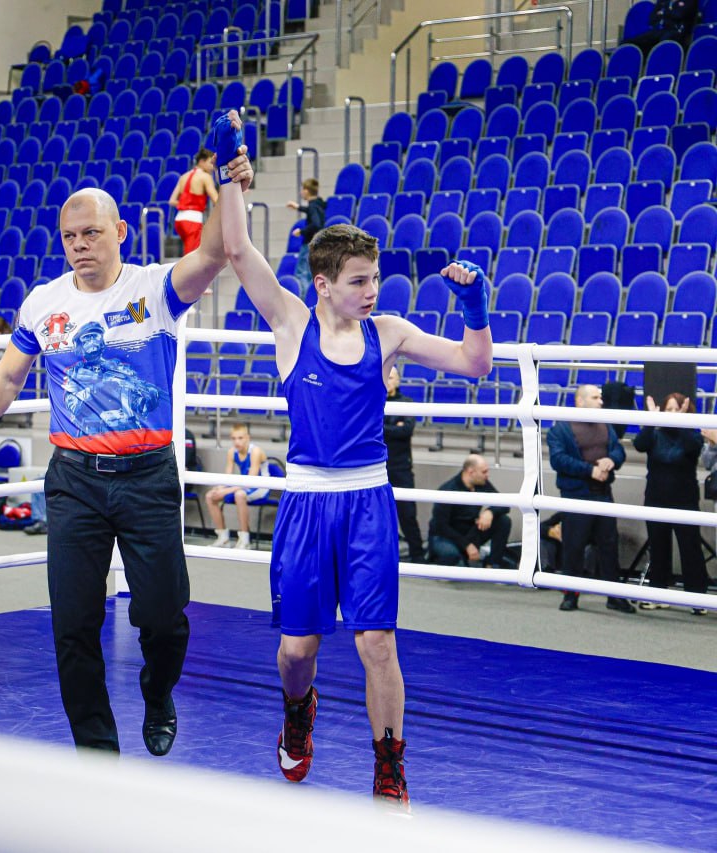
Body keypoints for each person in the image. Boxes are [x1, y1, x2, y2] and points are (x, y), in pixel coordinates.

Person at [211, 110, 492, 809]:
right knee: (297, 651)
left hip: (368, 500)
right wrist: (228, 176)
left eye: (376, 277)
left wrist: (476, 305)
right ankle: (298, 711)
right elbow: (240, 249)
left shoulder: (389, 332)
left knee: (376, 644)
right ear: (324, 282)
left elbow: (474, 364)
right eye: (361, 279)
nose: (373, 290)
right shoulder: (290, 324)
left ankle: (389, 761)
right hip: (307, 504)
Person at [0, 174, 232, 756]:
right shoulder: (43, 302)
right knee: (73, 624)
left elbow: (215, 251)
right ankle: (96, 754)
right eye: (70, 235)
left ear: (121, 232)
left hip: (147, 475)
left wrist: (226, 185)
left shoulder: (157, 288)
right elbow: (7, 377)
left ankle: (158, 694)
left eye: (92, 233)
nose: (80, 244)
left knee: (162, 614)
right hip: (75, 480)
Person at [546, 384, 634, 614]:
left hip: (603, 493)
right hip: (576, 495)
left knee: (609, 546)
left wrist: (610, 461)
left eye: (601, 397)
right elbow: (558, 460)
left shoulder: (606, 425)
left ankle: (614, 596)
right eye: (596, 397)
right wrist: (590, 470)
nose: (601, 402)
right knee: (573, 548)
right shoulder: (561, 430)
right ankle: (571, 595)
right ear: (580, 401)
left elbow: (618, 450)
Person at [633, 393, 710, 611]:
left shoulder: (692, 436)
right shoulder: (654, 435)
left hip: (685, 500)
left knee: (690, 549)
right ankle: (658, 593)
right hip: (656, 498)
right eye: (669, 409)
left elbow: (691, 449)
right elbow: (640, 444)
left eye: (678, 409)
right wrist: (651, 420)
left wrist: (684, 422)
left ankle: (698, 599)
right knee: (658, 547)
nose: (673, 413)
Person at [427, 454, 514, 569]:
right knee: (452, 558)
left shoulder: (482, 484)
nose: (487, 476)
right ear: (471, 472)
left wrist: (489, 512)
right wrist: (467, 545)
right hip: (445, 536)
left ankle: (492, 565)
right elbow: (441, 526)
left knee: (503, 521)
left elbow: (504, 504)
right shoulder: (448, 490)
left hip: (469, 532)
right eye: (484, 472)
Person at [204, 422, 269, 550]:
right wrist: (220, 487)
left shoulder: (255, 451)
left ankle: (245, 540)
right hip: (243, 484)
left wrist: (227, 490)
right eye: (233, 438)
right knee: (210, 496)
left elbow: (251, 480)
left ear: (248, 438)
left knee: (239, 495)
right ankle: (223, 538)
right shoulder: (232, 452)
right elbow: (228, 477)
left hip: (260, 486)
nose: (236, 442)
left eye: (240, 438)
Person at [383, 366, 424, 563]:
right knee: (378, 516)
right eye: (386, 377)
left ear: (398, 381)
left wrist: (381, 427)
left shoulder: (407, 403)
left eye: (392, 377)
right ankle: (381, 558)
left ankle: (418, 556)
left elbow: (405, 431)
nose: (389, 381)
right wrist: (393, 427)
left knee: (407, 514)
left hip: (400, 466)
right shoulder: (373, 400)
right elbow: (366, 427)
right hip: (376, 467)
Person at [167, 148, 219, 255]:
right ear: (201, 161)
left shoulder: (183, 176)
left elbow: (172, 201)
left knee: (190, 254)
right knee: (192, 258)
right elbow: (216, 200)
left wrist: (185, 205)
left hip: (180, 220)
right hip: (192, 220)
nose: (212, 166)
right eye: (210, 162)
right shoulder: (205, 177)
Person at [286, 178, 327, 284]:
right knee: (310, 274)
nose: (301, 192)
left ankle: (302, 300)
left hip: (309, 243)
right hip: (316, 243)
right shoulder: (318, 203)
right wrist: (298, 207)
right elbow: (312, 210)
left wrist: (302, 231)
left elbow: (316, 224)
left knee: (302, 274)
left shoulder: (313, 206)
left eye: (302, 189)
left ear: (307, 191)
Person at [621, 0, 699, 51]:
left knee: (664, 43)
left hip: (677, 33)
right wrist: (670, 13)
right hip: (659, 30)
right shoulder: (663, 1)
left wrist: (664, 13)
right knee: (628, 43)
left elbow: (680, 15)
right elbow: (653, 17)